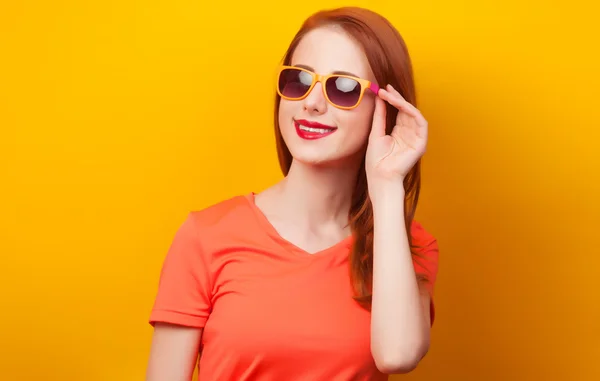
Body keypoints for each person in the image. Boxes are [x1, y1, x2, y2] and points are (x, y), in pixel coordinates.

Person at [145, 6, 440, 381]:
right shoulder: (206, 236)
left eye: (343, 88)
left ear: (385, 107)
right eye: (299, 80)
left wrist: (386, 184)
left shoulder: (410, 246)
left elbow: (397, 356)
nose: (312, 103)